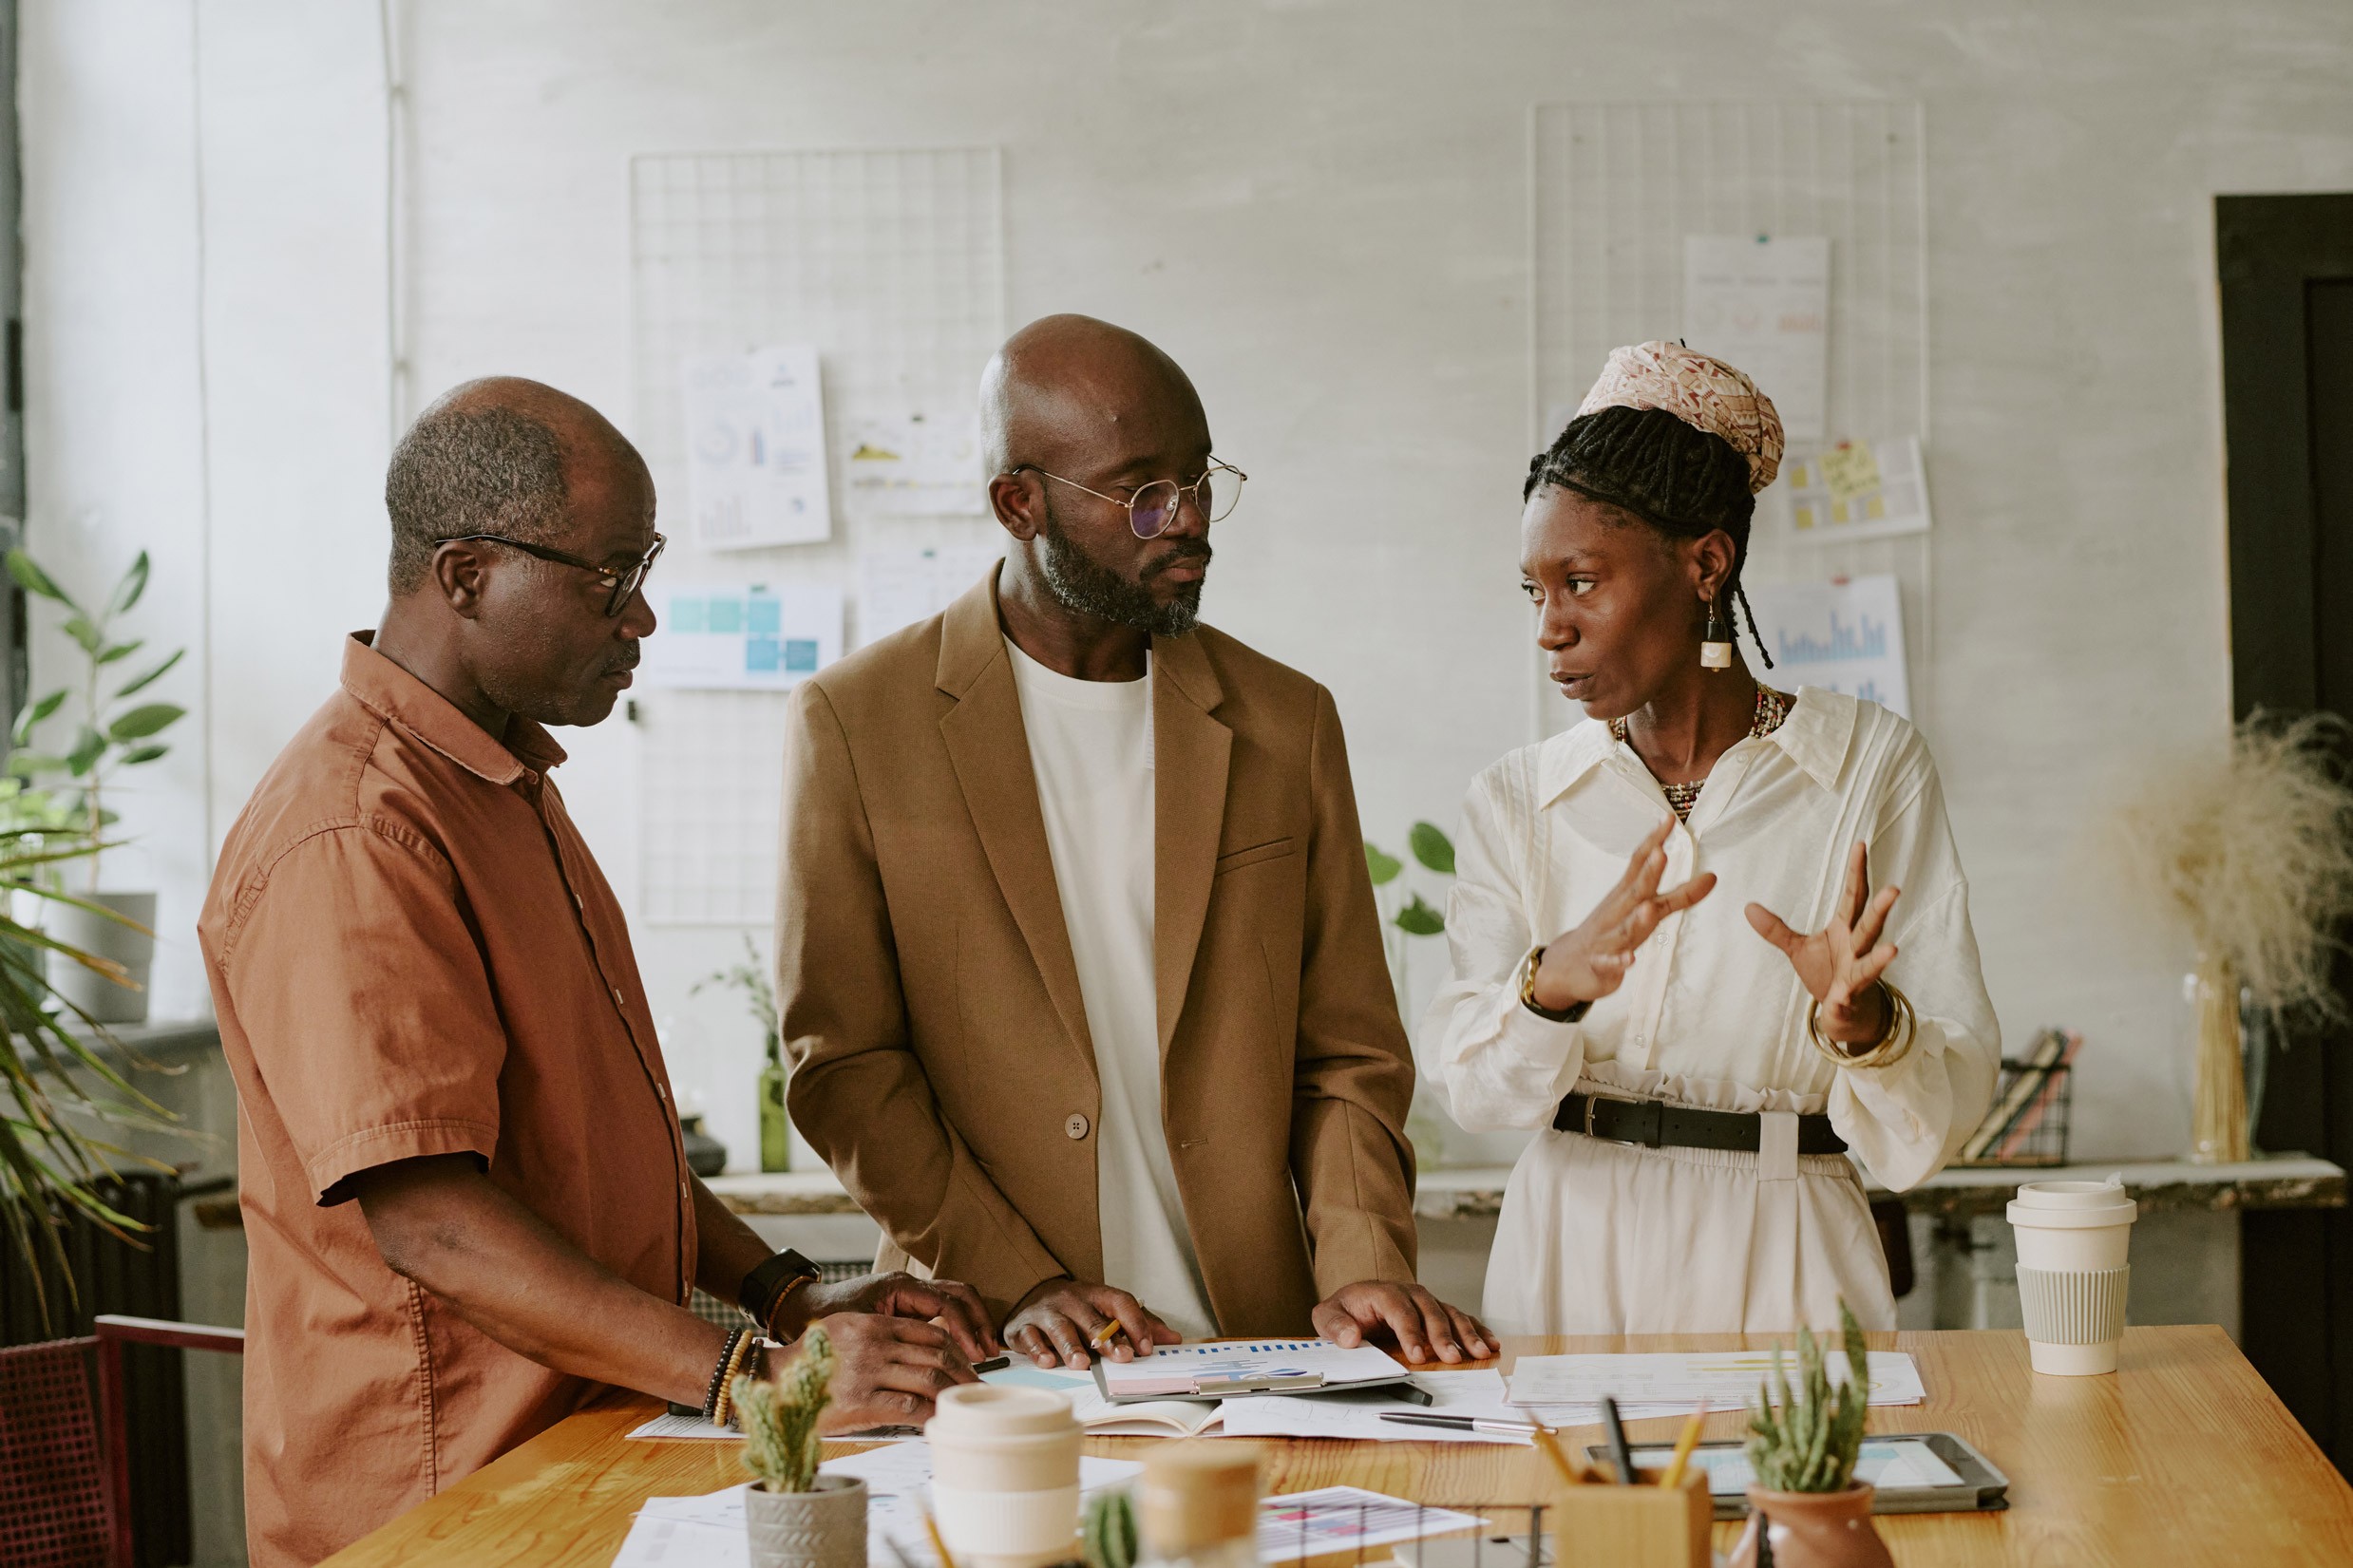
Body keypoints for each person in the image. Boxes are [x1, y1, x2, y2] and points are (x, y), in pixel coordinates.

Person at [199, 378, 995, 1568]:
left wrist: (792, 1296)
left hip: (580, 1458)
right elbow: (436, 1225)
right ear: (466, 574)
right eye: (610, 577)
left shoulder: (502, 790)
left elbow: (596, 1161)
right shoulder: (355, 833)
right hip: (440, 1506)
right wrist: (752, 1376)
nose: (643, 618)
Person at [779, 314, 1490, 1368]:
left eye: (1201, 480)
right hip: (999, 1342)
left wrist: (1358, 1259)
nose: (1190, 521)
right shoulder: (856, 721)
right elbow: (844, 1060)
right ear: (1018, 504)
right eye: (1143, 493)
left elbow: (1345, 1051)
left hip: (1259, 1348)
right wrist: (1020, 1277)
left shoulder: (1284, 721)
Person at [1419, 342, 2000, 1335]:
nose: (1549, 626)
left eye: (1581, 580)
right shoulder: (1518, 800)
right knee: (1575, 1497)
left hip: (1786, 1260)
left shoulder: (1865, 768)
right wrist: (1547, 983)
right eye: (1535, 590)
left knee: (1794, 1492)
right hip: (1567, 1254)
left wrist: (1860, 1028)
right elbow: (1475, 1093)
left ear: (1703, 563)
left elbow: (1929, 1132)